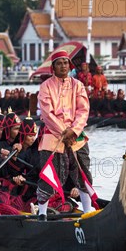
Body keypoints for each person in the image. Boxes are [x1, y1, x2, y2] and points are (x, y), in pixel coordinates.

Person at [37, 49, 93, 219]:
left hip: (76, 135)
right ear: (53, 67)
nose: (62, 66)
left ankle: (87, 211)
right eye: (59, 63)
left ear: (69, 66)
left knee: (84, 171)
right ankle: (42, 213)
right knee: (49, 173)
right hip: (53, 135)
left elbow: (83, 110)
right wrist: (64, 132)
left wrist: (73, 131)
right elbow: (47, 113)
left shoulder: (78, 85)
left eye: (65, 63)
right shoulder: (45, 86)